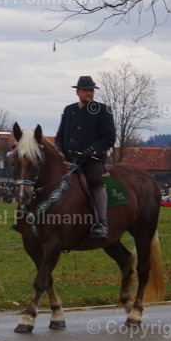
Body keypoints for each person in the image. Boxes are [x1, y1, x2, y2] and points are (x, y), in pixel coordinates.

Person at [55, 75, 117, 240]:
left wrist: (92, 150)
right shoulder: (69, 110)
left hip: (92, 160)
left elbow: (109, 138)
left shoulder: (103, 110)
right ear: (78, 92)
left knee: (95, 181)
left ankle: (101, 223)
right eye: (85, 90)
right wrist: (59, 149)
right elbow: (60, 135)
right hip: (69, 159)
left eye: (91, 90)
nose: (89, 93)